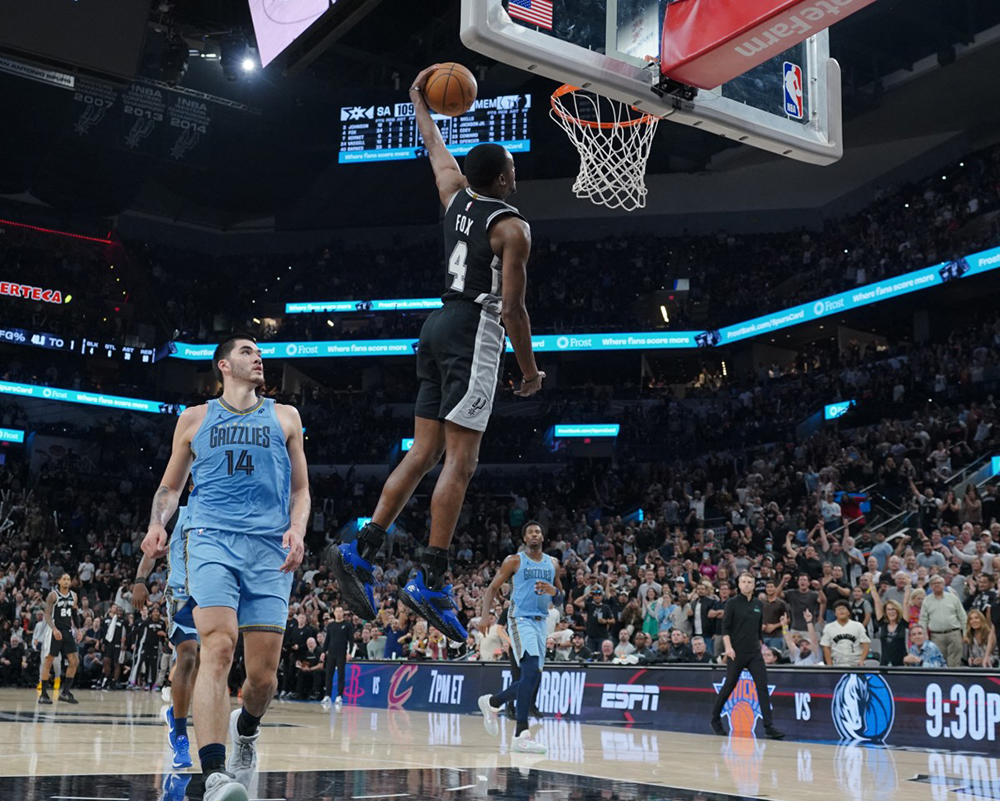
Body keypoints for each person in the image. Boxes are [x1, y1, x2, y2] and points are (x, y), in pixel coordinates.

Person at [327, 65, 543, 644]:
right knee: (461, 461)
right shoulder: (513, 229)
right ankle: (432, 576)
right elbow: (515, 311)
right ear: (501, 178)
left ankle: (362, 549)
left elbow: (432, 146)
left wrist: (419, 100)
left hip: (434, 325)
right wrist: (528, 371)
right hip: (476, 328)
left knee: (422, 450)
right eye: (513, 169)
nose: (517, 174)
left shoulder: (453, 194)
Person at [142, 334, 310, 801]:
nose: (258, 358)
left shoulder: (285, 416)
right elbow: (170, 489)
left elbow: (300, 491)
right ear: (223, 365)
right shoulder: (194, 419)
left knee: (263, 677)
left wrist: (297, 530)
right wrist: (158, 523)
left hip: (269, 549)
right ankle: (214, 773)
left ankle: (248, 730)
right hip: (210, 539)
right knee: (216, 645)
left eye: (259, 353)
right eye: (247, 352)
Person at [478, 521, 560, 754]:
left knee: (531, 679)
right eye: (530, 532)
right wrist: (485, 618)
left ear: (543, 537)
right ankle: (521, 734)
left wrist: (556, 592)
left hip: (540, 623)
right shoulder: (514, 560)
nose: (535, 534)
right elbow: (492, 588)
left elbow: (561, 597)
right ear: (525, 539)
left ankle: (493, 702)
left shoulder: (553, 564)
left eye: (538, 531)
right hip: (520, 619)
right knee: (530, 673)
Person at [133, 498, 199, 770]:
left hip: (213, 593)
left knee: (204, 664)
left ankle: (177, 714)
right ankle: (181, 734)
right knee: (187, 656)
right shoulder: (179, 514)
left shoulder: (226, 509)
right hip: (182, 595)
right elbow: (153, 546)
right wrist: (140, 580)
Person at [709, 572, 784, 739]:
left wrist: (762, 646)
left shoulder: (758, 604)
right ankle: (715, 719)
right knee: (729, 685)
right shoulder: (732, 603)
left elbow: (758, 630)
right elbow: (725, 628)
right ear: (739, 585)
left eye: (750, 582)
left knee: (762, 686)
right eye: (743, 581)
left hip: (754, 653)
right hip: (736, 652)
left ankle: (768, 726)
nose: (747, 584)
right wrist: (728, 648)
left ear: (754, 584)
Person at [38, 573, 79, 705]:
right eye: (64, 579)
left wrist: (78, 629)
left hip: (67, 632)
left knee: (74, 661)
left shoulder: (74, 596)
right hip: (54, 631)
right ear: (59, 581)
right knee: (49, 660)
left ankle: (65, 692)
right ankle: (43, 694)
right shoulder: (53, 595)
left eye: (68, 579)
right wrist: (54, 629)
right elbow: (47, 615)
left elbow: (74, 614)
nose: (67, 581)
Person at [920, 575, 967, 667]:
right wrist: (923, 634)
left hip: (954, 634)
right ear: (930, 586)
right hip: (936, 636)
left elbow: (962, 616)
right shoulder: (927, 600)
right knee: (939, 663)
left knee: (954, 663)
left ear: (944, 584)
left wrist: (965, 633)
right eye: (934, 583)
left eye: (939, 583)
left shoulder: (953, 598)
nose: (937, 585)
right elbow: (923, 619)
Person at [868, 579, 909, 666]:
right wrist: (871, 583)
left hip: (901, 664)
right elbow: (877, 600)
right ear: (885, 611)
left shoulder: (903, 623)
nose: (891, 612)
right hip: (885, 664)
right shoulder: (883, 623)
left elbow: (906, 602)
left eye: (894, 609)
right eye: (889, 610)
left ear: (898, 610)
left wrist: (908, 585)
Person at [820, 600, 871, 667]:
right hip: (837, 665)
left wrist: (861, 660)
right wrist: (830, 666)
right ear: (835, 613)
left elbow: (866, 644)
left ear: (849, 612)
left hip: (856, 665)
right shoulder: (828, 627)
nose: (841, 611)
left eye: (843, 608)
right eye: (838, 609)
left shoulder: (858, 626)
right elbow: (826, 647)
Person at [322, 606, 354, 707]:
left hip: (342, 653)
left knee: (341, 675)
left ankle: (339, 696)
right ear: (334, 613)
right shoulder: (330, 626)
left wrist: (349, 653)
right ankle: (327, 695)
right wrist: (323, 652)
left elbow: (351, 640)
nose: (339, 613)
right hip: (331, 653)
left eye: (341, 611)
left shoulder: (347, 625)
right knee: (329, 675)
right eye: (337, 611)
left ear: (343, 613)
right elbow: (327, 640)